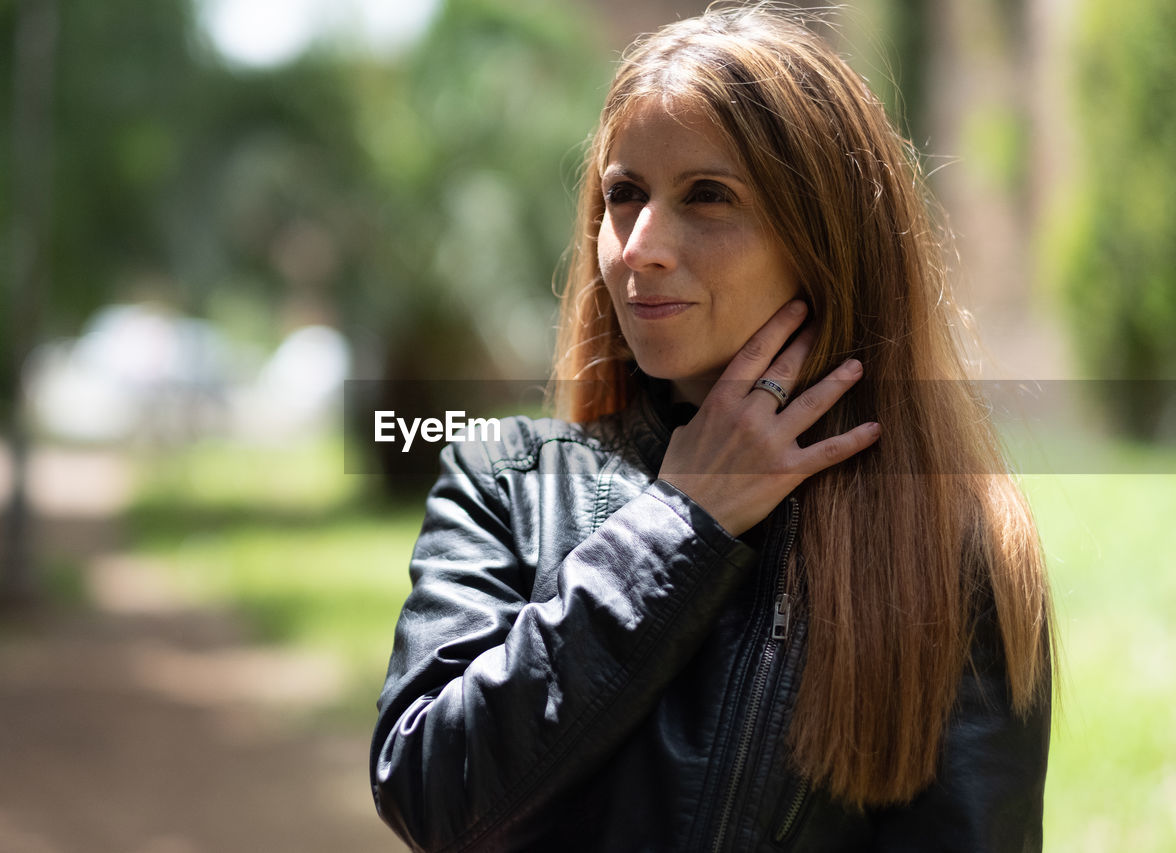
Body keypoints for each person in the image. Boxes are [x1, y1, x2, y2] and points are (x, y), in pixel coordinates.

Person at [370, 3, 1054, 851]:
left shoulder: (949, 543)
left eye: (708, 196)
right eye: (625, 196)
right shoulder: (506, 480)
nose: (640, 247)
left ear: (826, 239)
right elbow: (431, 790)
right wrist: (677, 526)